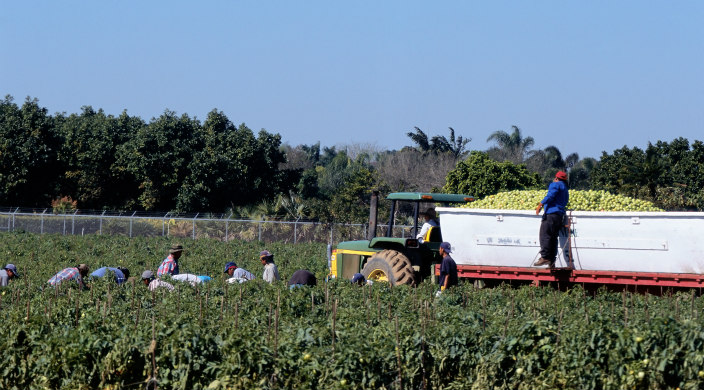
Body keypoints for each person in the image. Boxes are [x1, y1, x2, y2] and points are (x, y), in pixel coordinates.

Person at [534, 171, 570, 267]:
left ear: (556, 178)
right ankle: (551, 260)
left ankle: (545, 257)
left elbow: (550, 196)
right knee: (553, 238)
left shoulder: (555, 185)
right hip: (559, 216)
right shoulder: (565, 188)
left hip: (551, 214)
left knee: (545, 235)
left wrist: (541, 204)